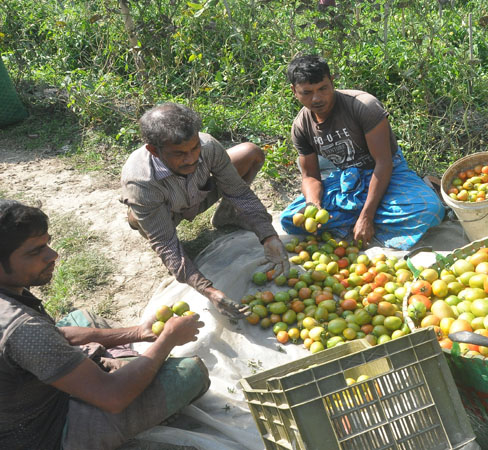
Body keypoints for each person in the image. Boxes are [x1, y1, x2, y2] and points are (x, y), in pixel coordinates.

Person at [0, 200, 210, 450]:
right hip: (45, 433)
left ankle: (118, 370)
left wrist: (139, 332)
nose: (53, 255)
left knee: (83, 319)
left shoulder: (13, 303)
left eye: (47, 243)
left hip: (25, 397)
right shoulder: (22, 327)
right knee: (189, 373)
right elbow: (113, 397)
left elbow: (56, 335)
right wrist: (167, 340)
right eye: (35, 252)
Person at [121, 103, 289, 319]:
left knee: (250, 153)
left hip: (200, 194)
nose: (191, 159)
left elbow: (239, 193)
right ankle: (179, 255)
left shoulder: (207, 146)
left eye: (193, 149)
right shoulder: (141, 181)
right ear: (154, 150)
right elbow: (166, 244)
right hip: (168, 213)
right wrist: (208, 290)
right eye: (179, 154)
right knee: (137, 218)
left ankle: (228, 214)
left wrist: (268, 236)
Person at [280, 55, 445, 249]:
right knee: (290, 219)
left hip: (386, 173)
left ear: (332, 81)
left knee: (429, 210)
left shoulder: (364, 106)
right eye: (307, 92)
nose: (316, 98)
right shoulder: (301, 126)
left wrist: (367, 216)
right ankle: (366, 219)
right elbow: (310, 177)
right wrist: (313, 205)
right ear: (294, 91)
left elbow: (384, 163)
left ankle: (364, 217)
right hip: (347, 180)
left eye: (323, 89)